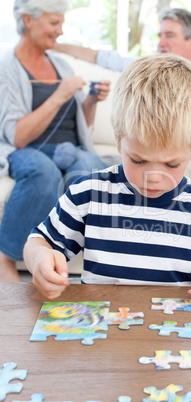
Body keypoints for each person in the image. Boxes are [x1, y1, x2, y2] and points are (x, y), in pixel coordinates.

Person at [23, 53, 191, 314]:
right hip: (100, 337)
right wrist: (39, 259)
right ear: (119, 141)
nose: (153, 176)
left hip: (177, 345)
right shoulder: (88, 195)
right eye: (138, 160)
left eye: (171, 164)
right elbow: (40, 241)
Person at [55, 8, 191, 178]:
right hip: (168, 138)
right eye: (159, 36)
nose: (161, 43)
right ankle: (98, 166)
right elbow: (104, 58)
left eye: (169, 36)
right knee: (144, 155)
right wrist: (53, 45)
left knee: (176, 151)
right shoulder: (149, 67)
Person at [0, 0, 111, 282]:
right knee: (43, 171)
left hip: (69, 148)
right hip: (26, 149)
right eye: (54, 22)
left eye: (61, 22)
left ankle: (104, 265)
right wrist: (59, 95)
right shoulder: (7, 69)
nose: (60, 31)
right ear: (28, 20)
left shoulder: (60, 64)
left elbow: (80, 126)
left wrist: (91, 101)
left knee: (91, 171)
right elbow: (17, 136)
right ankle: (5, 261)